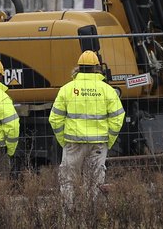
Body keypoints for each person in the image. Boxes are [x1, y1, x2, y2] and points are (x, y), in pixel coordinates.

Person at [50, 50, 125, 202]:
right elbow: (118, 117)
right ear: (97, 68)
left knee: (68, 180)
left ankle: (68, 215)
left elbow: (55, 118)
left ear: (78, 67)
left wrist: (63, 141)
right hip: (98, 144)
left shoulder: (67, 89)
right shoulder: (107, 90)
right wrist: (108, 140)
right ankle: (90, 214)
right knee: (94, 182)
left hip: (73, 143)